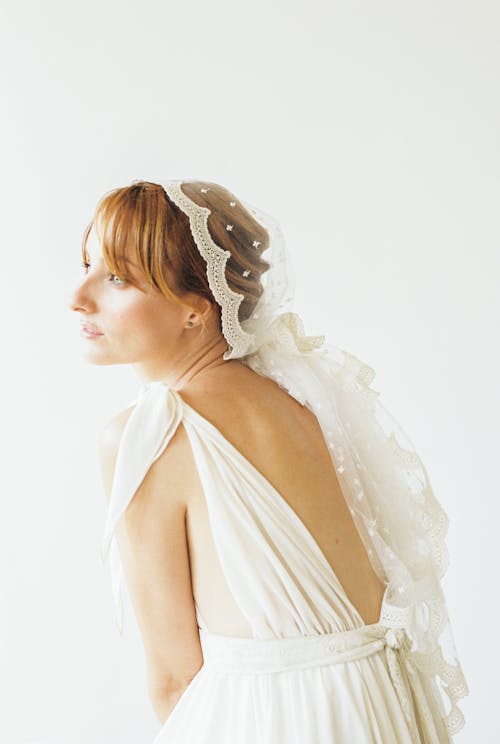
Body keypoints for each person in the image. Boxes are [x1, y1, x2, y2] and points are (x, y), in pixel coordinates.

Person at [68, 179, 468, 743]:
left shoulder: (149, 435)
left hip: (275, 720)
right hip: (383, 707)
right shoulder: (305, 400)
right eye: (86, 265)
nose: (78, 298)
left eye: (116, 278)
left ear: (194, 309)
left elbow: (173, 680)